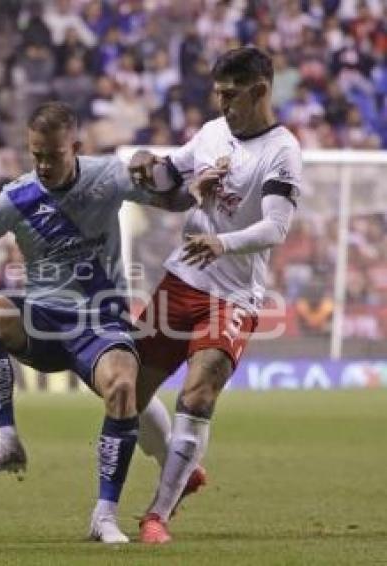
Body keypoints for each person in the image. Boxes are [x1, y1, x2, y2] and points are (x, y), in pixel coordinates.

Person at [0, 101, 193, 543]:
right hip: (41, 319)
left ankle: (104, 516)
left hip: (100, 319)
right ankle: (6, 438)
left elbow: (174, 202)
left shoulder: (108, 176)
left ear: (74, 147)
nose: (42, 165)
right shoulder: (15, 197)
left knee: (122, 389)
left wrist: (160, 173)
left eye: (52, 156)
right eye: (35, 154)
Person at [129, 47, 302, 543]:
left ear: (260, 90)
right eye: (219, 93)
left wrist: (220, 241)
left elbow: (275, 227)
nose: (222, 102)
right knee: (124, 391)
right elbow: (167, 175)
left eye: (231, 94)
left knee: (199, 390)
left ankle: (156, 514)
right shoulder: (210, 133)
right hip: (181, 280)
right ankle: (182, 470)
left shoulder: (282, 150)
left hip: (232, 296)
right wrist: (147, 164)